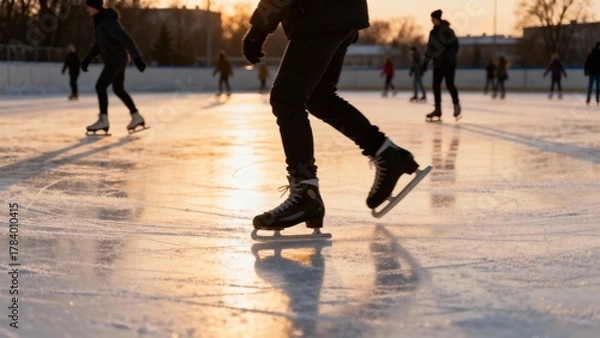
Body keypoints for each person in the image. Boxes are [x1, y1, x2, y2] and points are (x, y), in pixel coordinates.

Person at [242, 0, 425, 232]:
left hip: (318, 14)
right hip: (339, 13)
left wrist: (259, 27)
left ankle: (306, 192)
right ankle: (386, 153)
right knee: (319, 97)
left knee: (286, 99)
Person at [81, 0, 147, 134]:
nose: (87, 10)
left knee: (100, 86)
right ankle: (136, 116)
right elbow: (99, 45)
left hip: (116, 60)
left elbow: (126, 39)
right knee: (118, 89)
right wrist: (88, 59)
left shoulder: (107, 22)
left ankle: (103, 120)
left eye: (88, 7)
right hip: (116, 59)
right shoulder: (100, 21)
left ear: (94, 7)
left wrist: (137, 58)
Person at [422, 9, 461, 121]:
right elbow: (430, 49)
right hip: (438, 64)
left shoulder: (448, 31)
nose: (431, 21)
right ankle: (437, 109)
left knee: (449, 84)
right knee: (436, 86)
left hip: (448, 64)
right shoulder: (433, 33)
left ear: (437, 19)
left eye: (432, 19)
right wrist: (425, 63)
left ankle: (456, 105)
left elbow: (455, 46)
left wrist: (449, 58)